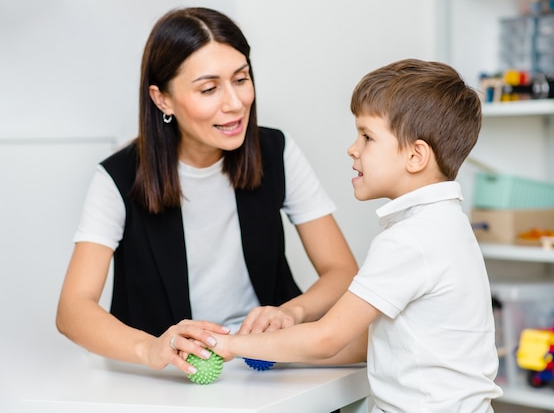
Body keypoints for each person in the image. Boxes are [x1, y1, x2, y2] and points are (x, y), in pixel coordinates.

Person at [55, 7, 358, 376]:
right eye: (209, 88)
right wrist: (151, 348)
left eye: (241, 79)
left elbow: (341, 270)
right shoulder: (118, 178)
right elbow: (73, 310)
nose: (234, 103)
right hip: (164, 379)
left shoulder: (277, 151)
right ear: (161, 99)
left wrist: (293, 311)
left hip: (264, 367)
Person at [209, 59, 503, 412]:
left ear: (415, 155)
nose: (353, 148)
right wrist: (276, 352)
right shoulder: (447, 225)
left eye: (367, 136)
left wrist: (230, 346)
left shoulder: (410, 239)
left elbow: (327, 337)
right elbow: (368, 341)